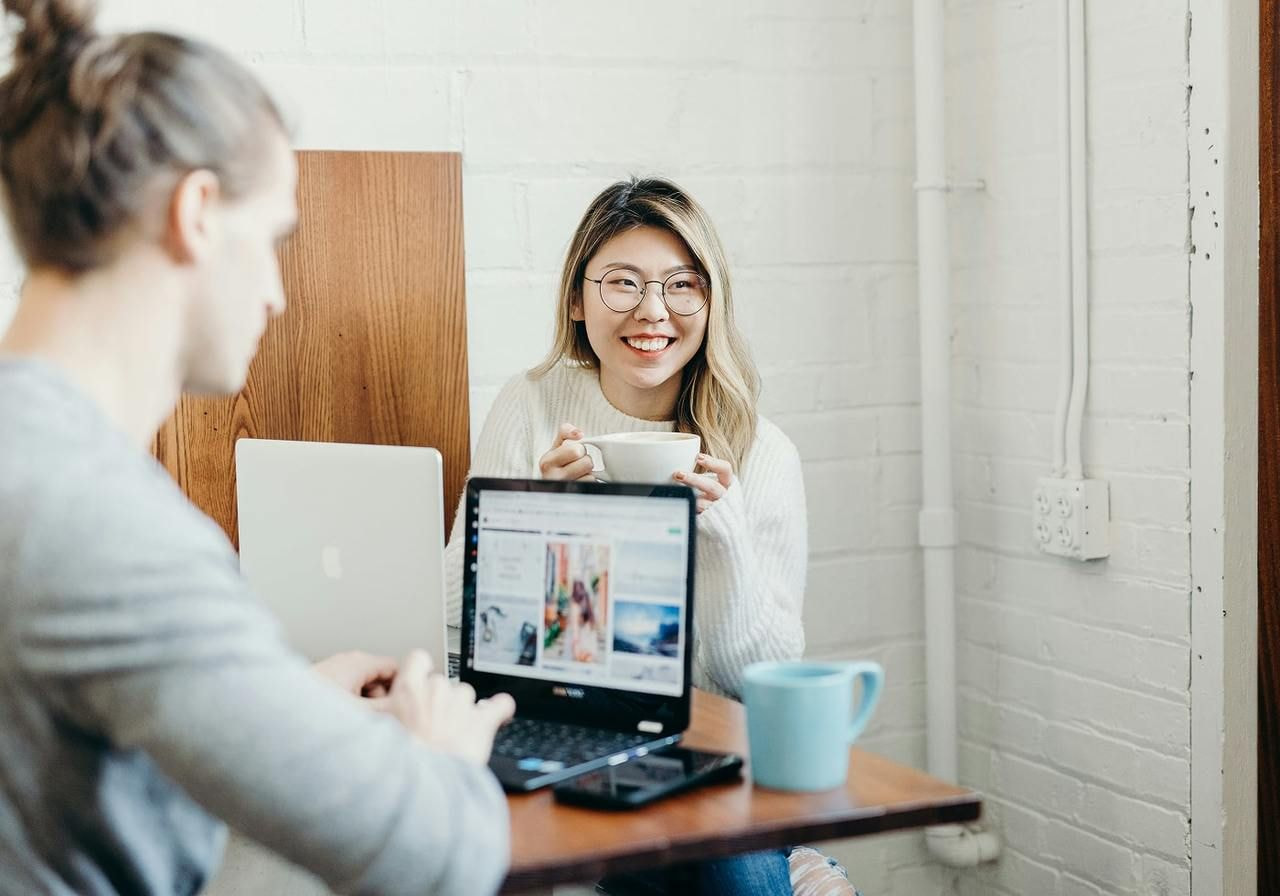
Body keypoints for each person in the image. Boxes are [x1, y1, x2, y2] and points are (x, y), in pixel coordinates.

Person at [0, 2, 513, 894]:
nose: (277, 293)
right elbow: (443, 857)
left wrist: (284, 705)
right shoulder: (100, 519)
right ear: (197, 213)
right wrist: (442, 753)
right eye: (274, 239)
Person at [443, 176, 810, 894]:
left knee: (739, 877)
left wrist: (724, 542)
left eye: (682, 285)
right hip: (556, 729)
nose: (653, 312)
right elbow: (458, 627)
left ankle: (802, 860)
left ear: (711, 301)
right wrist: (541, 523)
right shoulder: (532, 404)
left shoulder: (762, 454)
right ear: (577, 300)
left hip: (702, 750)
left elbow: (758, 687)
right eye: (623, 284)